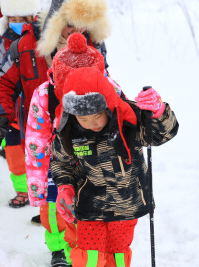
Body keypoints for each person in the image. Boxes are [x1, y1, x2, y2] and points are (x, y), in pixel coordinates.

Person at [0, 0, 111, 266]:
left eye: (81, 24)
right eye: (69, 24)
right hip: (41, 140)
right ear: (55, 22)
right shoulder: (24, 46)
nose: (74, 31)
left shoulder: (94, 49)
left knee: (82, 201)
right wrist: (2, 112)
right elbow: (4, 83)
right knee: (51, 200)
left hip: (84, 142)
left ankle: (80, 253)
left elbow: (108, 90)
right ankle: (58, 250)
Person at [51, 66, 179, 267]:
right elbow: (61, 162)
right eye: (83, 119)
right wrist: (65, 187)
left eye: (97, 116)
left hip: (126, 206)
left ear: (108, 107)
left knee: (117, 255)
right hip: (89, 205)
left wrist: (158, 112)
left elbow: (161, 134)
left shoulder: (128, 123)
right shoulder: (69, 133)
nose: (92, 123)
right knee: (88, 256)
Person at [25, 33, 123, 267]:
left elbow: (124, 126)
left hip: (96, 168)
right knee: (55, 213)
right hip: (56, 167)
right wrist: (38, 184)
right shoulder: (45, 94)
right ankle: (60, 249)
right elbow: (36, 139)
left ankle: (85, 255)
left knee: (90, 220)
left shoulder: (109, 89)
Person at [0, 0, 40, 208]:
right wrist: (0, 96)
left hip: (34, 110)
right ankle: (22, 190)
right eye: (12, 19)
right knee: (14, 154)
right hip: (11, 111)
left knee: (37, 154)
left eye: (23, 19)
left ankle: (40, 192)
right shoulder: (0, 41)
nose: (16, 23)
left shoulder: (40, 39)